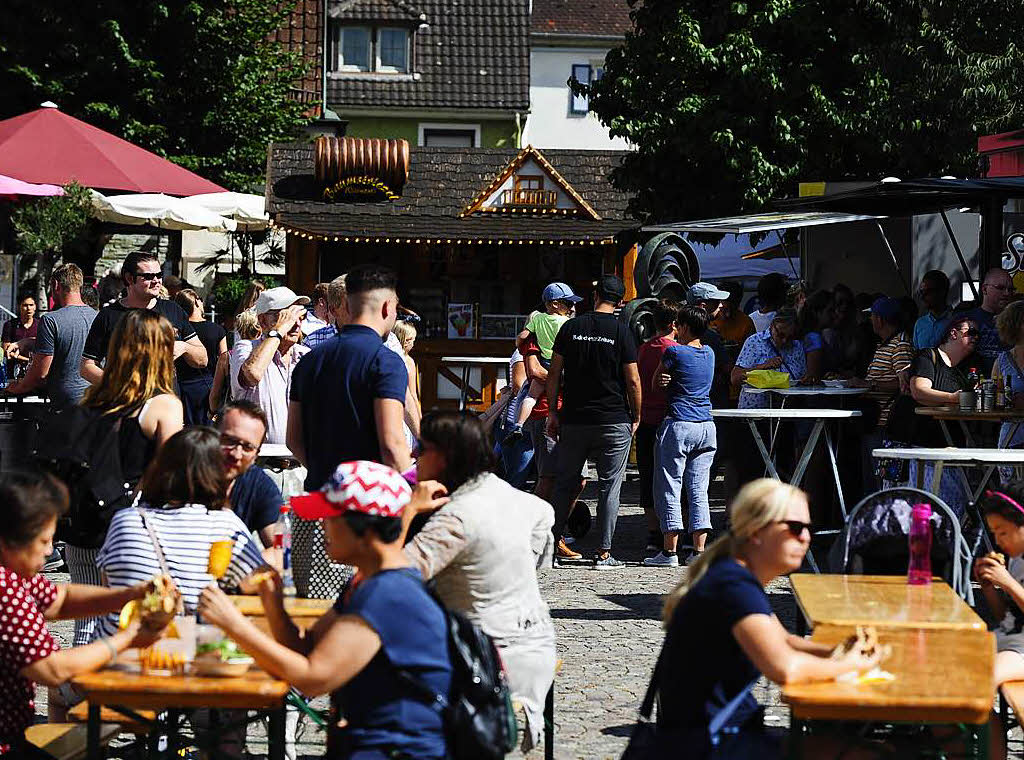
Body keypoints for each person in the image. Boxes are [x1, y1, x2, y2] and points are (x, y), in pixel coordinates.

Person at [197, 460, 453, 760]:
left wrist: (234, 626)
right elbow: (306, 648)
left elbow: (313, 678)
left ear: (364, 529)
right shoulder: (365, 581)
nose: (320, 525)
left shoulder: (388, 593)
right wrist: (273, 602)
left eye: (330, 517)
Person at [649, 479, 879, 758]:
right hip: (710, 744)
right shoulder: (733, 586)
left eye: (808, 528)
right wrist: (850, 664)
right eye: (795, 528)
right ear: (757, 531)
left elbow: (786, 641)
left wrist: (837, 650)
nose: (806, 537)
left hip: (718, 733)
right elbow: (785, 669)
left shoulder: (733, 575)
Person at [402, 413, 556, 752]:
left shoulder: (457, 517)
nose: (413, 456)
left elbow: (390, 578)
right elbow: (544, 515)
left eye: (420, 448)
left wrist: (409, 511)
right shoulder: (512, 496)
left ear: (443, 457)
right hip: (536, 645)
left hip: (486, 664)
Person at [0, 470, 169, 751]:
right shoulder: (4, 588)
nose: (50, 550)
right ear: (8, 542)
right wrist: (127, 639)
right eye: (43, 541)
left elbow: (58, 598)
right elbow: (53, 669)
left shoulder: (14, 574)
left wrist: (127, 596)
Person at [68, 310, 184, 646]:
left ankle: (74, 691)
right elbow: (168, 473)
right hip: (133, 531)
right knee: (133, 624)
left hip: (85, 524)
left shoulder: (92, 401)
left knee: (88, 624)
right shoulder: (163, 406)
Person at [95, 426, 270, 638]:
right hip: (178, 652)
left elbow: (108, 583)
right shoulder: (223, 525)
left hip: (115, 648)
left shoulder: (125, 519)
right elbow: (257, 583)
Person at [546, 275, 641, 568]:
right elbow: (633, 380)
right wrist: (636, 416)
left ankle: (550, 548)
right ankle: (603, 553)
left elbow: (554, 374)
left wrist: (552, 410)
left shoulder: (571, 327)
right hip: (613, 418)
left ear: (595, 293)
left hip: (574, 418)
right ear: (621, 302)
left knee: (564, 484)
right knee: (609, 487)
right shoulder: (623, 331)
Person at [288, 265, 411, 490]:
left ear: (347, 305)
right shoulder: (386, 361)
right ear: (387, 307)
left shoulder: (308, 361)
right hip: (370, 501)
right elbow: (392, 444)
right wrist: (413, 490)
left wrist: (328, 475)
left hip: (320, 497)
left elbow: (293, 439)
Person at [646, 305, 716, 567]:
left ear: (684, 327)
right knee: (699, 489)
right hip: (706, 426)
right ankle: (698, 550)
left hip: (679, 423)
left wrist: (666, 381)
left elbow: (656, 383)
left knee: (669, 485)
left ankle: (669, 551)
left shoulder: (673, 351)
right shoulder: (708, 353)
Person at [885, 316, 977, 513]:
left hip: (944, 449)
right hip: (913, 447)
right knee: (908, 513)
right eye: (972, 333)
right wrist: (954, 398)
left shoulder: (961, 372)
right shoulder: (928, 356)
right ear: (954, 333)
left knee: (946, 511)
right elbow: (919, 390)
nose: (977, 338)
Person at [81, 251, 206, 384]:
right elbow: (86, 366)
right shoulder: (109, 315)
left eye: (159, 275)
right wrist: (115, 386)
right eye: (148, 276)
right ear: (129, 278)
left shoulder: (172, 310)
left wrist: (183, 347)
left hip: (165, 401)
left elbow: (203, 359)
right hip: (125, 402)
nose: (156, 281)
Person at [6, 264, 95, 408]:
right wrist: (28, 342)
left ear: (55, 284)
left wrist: (16, 388)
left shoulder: (51, 320)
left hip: (67, 407)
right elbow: (71, 344)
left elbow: (40, 374)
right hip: (96, 402)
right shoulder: (97, 316)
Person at [235, 286, 311, 445]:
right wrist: (278, 331)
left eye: (300, 316)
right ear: (263, 321)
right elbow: (252, 374)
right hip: (260, 462)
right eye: (286, 316)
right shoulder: (246, 348)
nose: (295, 323)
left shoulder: (305, 355)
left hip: (300, 464)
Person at [507, 283, 582, 441]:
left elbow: (522, 337)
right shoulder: (567, 323)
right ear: (555, 303)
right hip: (561, 365)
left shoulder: (537, 318)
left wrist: (518, 343)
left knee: (531, 396)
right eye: (568, 303)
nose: (571, 307)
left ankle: (519, 425)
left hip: (545, 362)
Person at [636, 300, 679, 555]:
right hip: (669, 418)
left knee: (648, 476)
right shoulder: (677, 350)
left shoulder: (642, 349)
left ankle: (653, 533)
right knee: (673, 477)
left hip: (645, 420)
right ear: (674, 324)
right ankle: (672, 531)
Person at [218, 401, 285, 546]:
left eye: (248, 447)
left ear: (256, 455)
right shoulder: (185, 474)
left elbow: (278, 550)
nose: (236, 454)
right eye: (229, 441)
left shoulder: (259, 486)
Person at [731, 308, 806, 409]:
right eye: (781, 335)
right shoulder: (754, 342)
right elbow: (735, 378)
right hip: (755, 411)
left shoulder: (796, 346)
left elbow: (802, 377)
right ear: (772, 326)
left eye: (790, 338)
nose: (784, 341)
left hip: (788, 412)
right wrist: (763, 366)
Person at [942, 267, 1012, 374]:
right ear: (984, 289)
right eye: (1000, 288)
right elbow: (941, 353)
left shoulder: (1017, 321)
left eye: (1011, 289)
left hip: (1008, 385)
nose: (1007, 293)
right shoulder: (964, 319)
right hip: (970, 383)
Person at [174, 288, 227, 426]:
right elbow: (224, 360)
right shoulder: (217, 330)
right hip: (208, 385)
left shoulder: (179, 330)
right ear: (196, 303)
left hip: (182, 385)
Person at [212, 308, 262, 412]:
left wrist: (212, 412)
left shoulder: (226, 357)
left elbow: (215, 394)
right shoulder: (265, 356)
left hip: (233, 410)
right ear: (259, 331)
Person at [798, 290, 834, 385]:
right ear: (817, 312)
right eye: (830, 311)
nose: (833, 315)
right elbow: (813, 376)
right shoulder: (814, 338)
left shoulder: (812, 335)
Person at [2, 293, 38, 380]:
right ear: (19, 306)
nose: (28, 308)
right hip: (14, 372)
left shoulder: (41, 325)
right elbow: (7, 351)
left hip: (35, 371)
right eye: (25, 305)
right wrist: (26, 359)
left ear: (35, 307)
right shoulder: (10, 325)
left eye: (31, 305)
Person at [914, 270, 952, 349]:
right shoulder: (920, 324)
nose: (923, 296)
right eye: (921, 291)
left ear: (942, 292)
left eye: (928, 291)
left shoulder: (956, 321)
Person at [712, 280, 756, 346]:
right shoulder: (709, 319)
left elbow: (753, 348)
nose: (728, 313)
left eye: (733, 306)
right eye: (725, 308)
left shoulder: (746, 322)